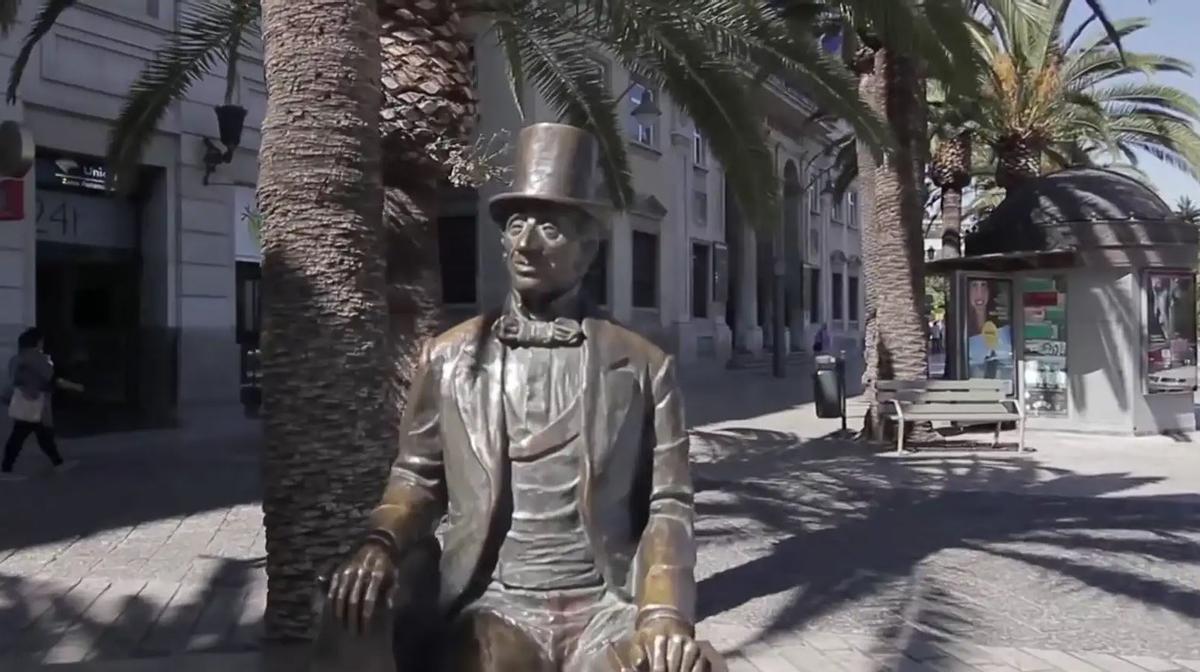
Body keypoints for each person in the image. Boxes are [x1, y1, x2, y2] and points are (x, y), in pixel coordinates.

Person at [325, 124, 710, 672]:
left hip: (606, 610)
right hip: (494, 607)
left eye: (549, 228)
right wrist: (381, 542)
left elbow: (668, 503)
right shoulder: (448, 358)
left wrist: (664, 613)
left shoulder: (646, 366)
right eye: (515, 225)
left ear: (588, 250)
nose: (526, 243)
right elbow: (416, 478)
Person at [2, 328, 83, 479]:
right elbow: (53, 379)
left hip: (24, 400)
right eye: (41, 341)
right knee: (22, 436)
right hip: (33, 402)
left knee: (39, 435)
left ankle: (58, 463)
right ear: (37, 342)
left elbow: (15, 379)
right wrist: (75, 386)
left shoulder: (17, 358)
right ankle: (6, 469)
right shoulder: (37, 358)